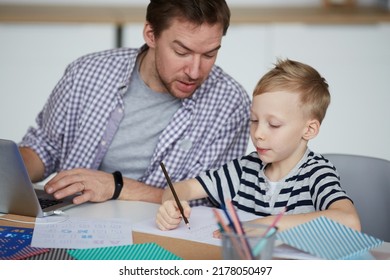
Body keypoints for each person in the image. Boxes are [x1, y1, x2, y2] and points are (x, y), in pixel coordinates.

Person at [18, 0, 251, 206]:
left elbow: (206, 201)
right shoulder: (86, 72)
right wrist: (10, 168)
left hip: (158, 235)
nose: (194, 71)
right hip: (70, 217)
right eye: (182, 52)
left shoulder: (229, 104)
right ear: (151, 34)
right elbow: (45, 149)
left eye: (209, 55)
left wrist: (116, 187)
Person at [156, 58, 361, 233]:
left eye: (273, 124)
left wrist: (267, 225)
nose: (258, 134)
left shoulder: (317, 173)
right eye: (254, 121)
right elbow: (184, 188)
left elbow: (350, 222)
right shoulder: (244, 169)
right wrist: (172, 203)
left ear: (309, 130)